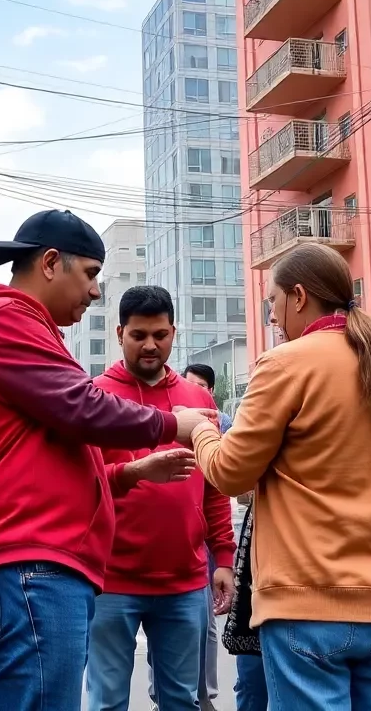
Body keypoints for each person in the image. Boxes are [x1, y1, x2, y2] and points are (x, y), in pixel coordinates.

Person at [0, 210, 210, 711]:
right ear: (49, 263)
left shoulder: (25, 327)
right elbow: (80, 408)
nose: (94, 293)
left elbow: (56, 446)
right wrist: (174, 424)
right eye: (89, 275)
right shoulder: (5, 320)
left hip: (33, 565)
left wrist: (128, 473)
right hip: (25, 564)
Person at [180, 243, 371, 711]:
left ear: (298, 297)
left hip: (309, 605)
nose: (273, 316)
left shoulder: (285, 364)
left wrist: (199, 429)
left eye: (273, 302)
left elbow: (229, 471)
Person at [89, 287, 236, 711]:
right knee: (106, 702)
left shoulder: (199, 401)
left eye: (159, 334)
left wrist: (222, 558)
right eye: (138, 335)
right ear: (119, 334)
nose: (150, 344)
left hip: (185, 580)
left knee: (181, 701)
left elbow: (215, 485)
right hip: (110, 580)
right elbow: (85, 484)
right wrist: (134, 473)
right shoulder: (96, 397)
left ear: (174, 331)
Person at [181, 361, 232, 711]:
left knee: (204, 623)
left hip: (196, 551)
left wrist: (198, 429)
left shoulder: (218, 420)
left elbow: (226, 483)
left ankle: (204, 696)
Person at [184, 364, 232, 435]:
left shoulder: (223, 421)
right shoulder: (176, 416)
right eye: (190, 384)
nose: (194, 389)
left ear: (211, 390)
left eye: (201, 385)